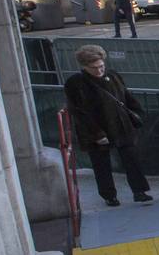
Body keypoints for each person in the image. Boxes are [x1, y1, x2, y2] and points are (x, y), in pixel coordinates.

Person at [64, 45, 152, 207]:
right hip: (96, 130)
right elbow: (80, 112)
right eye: (94, 68)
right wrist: (97, 134)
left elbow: (126, 96)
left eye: (101, 66)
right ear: (84, 67)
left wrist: (138, 112)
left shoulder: (113, 75)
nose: (99, 71)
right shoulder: (76, 83)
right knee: (101, 165)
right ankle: (109, 196)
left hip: (121, 125)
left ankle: (140, 191)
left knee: (132, 159)